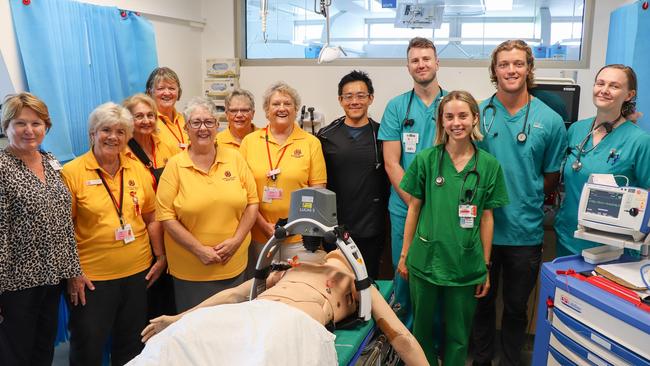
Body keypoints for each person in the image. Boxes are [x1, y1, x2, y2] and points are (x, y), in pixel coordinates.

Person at [130, 249, 429, 366]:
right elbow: (235, 296)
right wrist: (178, 319)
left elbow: (401, 337)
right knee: (180, 340)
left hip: (290, 324)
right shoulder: (286, 270)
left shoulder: (356, 281)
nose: (326, 252)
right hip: (247, 315)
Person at [471, 40, 567, 366]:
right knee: (480, 303)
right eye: (503, 64)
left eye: (518, 64)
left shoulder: (550, 121)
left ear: (528, 69)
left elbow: (551, 176)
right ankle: (482, 360)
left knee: (515, 307)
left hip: (524, 233)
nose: (511, 70)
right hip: (480, 232)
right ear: (494, 71)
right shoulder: (477, 115)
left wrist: (525, 195)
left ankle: (511, 361)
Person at [398, 91, 509, 365]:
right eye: (449, 116)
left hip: (465, 265)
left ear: (474, 119)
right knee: (421, 331)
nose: (456, 122)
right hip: (425, 261)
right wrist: (404, 255)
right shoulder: (426, 159)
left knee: (459, 336)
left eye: (462, 115)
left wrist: (484, 267)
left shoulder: (489, 165)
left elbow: (486, 218)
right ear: (441, 122)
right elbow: (413, 208)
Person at [62, 102, 166, 365]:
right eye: (106, 130)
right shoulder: (72, 173)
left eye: (121, 132)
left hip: (137, 274)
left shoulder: (137, 170)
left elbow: (151, 216)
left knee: (131, 343)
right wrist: (73, 272)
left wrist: (160, 256)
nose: (113, 137)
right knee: (88, 346)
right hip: (92, 279)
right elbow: (62, 229)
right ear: (92, 134)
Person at [0, 93, 82, 366]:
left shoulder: (50, 160)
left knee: (43, 350)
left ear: (46, 126)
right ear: (6, 127)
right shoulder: (1, 167)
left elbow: (63, 222)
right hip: (14, 285)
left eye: (36, 123)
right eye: (20, 123)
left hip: (51, 280)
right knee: (15, 354)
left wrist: (72, 271)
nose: (29, 130)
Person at [156, 97, 259, 312]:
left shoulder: (235, 159)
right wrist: (199, 250)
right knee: (195, 332)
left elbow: (252, 202)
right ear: (186, 128)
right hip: (191, 270)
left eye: (209, 122)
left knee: (232, 327)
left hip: (233, 263)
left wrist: (236, 241)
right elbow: (165, 216)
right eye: (196, 122)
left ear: (217, 126)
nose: (203, 128)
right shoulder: (175, 166)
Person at [378, 36, 447, 326]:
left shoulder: (453, 103)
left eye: (426, 58)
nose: (421, 64)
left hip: (443, 209)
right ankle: (402, 342)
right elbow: (392, 162)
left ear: (437, 62)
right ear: (408, 66)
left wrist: (433, 206)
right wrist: (415, 203)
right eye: (415, 60)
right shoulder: (397, 107)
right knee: (403, 273)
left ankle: (435, 344)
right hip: (404, 207)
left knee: (440, 275)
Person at [554, 64, 650, 257]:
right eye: (600, 83)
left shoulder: (639, 141)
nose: (604, 90)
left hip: (611, 247)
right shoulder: (576, 130)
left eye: (614, 86)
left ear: (629, 95)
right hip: (569, 235)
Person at [239, 82, 327, 269]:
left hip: (299, 238)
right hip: (258, 235)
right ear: (266, 110)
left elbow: (318, 191)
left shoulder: (311, 143)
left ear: (296, 110)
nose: (282, 108)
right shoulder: (250, 142)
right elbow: (243, 191)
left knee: (295, 290)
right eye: (275, 104)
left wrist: (292, 227)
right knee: (262, 290)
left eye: (287, 104)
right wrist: (263, 225)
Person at [317, 70, 389, 279]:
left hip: (372, 226)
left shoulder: (382, 135)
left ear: (371, 98)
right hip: (335, 227)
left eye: (361, 96)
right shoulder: (326, 136)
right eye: (348, 96)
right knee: (337, 284)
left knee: (369, 283)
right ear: (340, 100)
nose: (354, 101)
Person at [123, 93, 177, 318]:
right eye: (139, 116)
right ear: (128, 120)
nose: (146, 121)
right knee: (144, 303)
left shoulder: (167, 147)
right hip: (140, 235)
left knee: (169, 299)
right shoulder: (121, 151)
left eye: (150, 115)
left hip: (170, 231)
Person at [145, 67, 188, 153]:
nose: (167, 93)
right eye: (161, 88)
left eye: (171, 88)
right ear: (150, 93)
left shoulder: (186, 119)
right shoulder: (146, 123)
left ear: (179, 92)